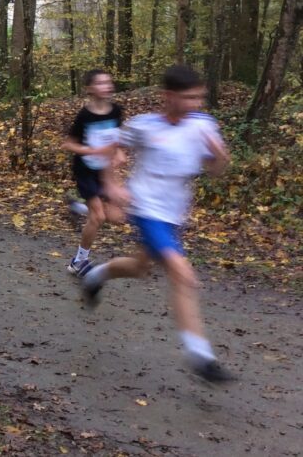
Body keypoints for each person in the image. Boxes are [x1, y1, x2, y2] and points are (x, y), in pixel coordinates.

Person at [81, 65, 234, 383]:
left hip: (175, 213)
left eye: (198, 97)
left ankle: (94, 275)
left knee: (140, 267)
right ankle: (200, 355)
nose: (194, 104)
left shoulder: (203, 125)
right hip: (145, 206)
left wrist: (220, 157)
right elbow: (112, 149)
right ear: (168, 96)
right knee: (182, 272)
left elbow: (216, 170)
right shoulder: (145, 125)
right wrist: (111, 184)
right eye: (188, 97)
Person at [62, 69, 126, 276]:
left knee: (116, 217)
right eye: (100, 83)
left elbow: (117, 138)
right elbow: (69, 144)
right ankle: (79, 261)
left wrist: (119, 152)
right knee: (98, 217)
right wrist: (92, 150)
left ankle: (79, 208)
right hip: (85, 170)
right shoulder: (85, 115)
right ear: (90, 89)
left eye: (108, 82)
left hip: (105, 171)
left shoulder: (116, 111)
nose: (106, 86)